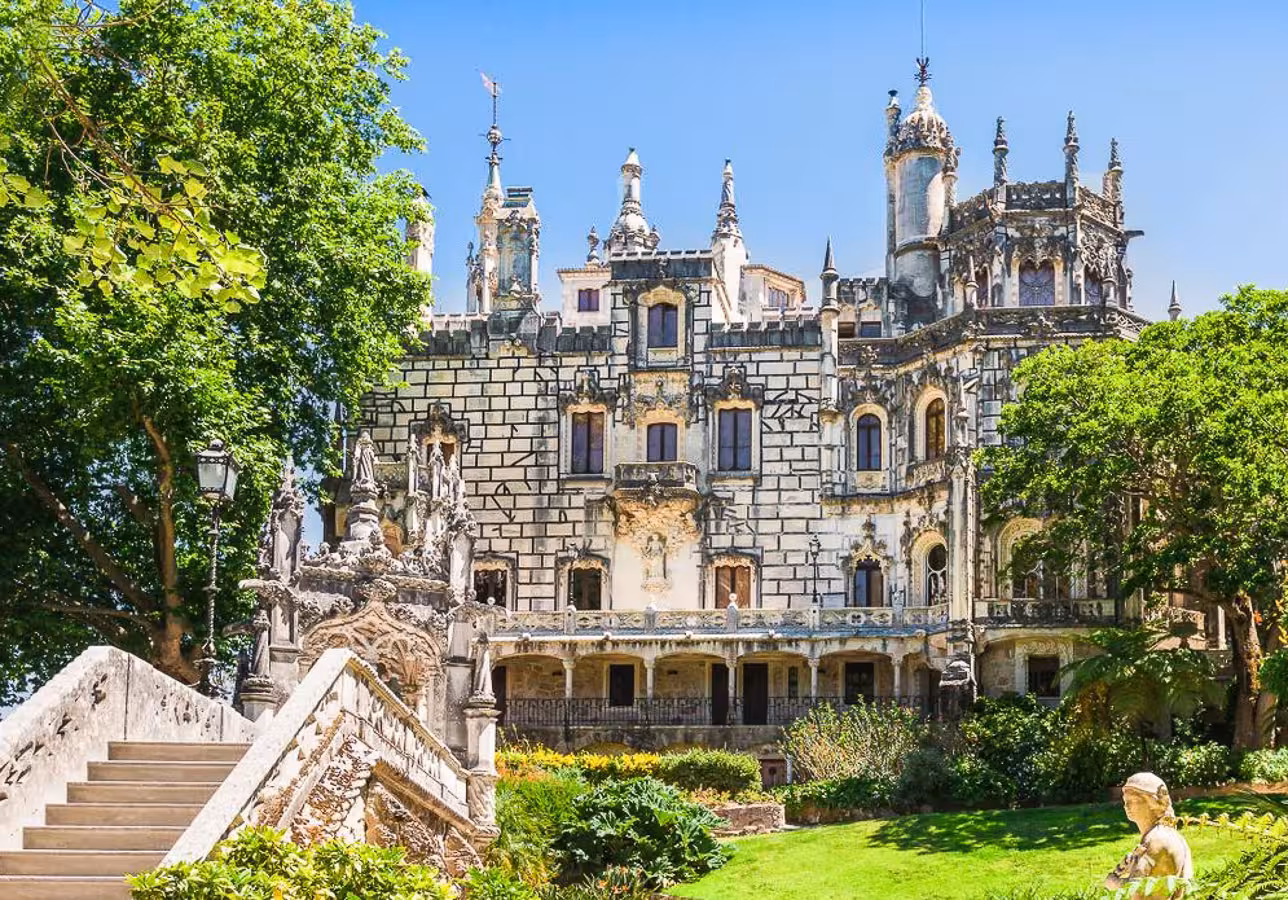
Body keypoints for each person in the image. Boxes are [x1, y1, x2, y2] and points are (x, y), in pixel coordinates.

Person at [1105, 772, 1193, 898]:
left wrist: (1114, 882)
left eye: (1133, 800)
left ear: (1152, 802)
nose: (1126, 806)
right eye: (1125, 801)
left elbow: (1140, 890)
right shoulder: (1163, 835)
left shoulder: (1158, 840)